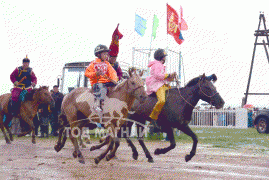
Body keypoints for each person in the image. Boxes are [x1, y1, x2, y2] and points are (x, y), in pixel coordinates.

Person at [146, 49, 176, 132]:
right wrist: (168, 75)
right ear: (161, 57)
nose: (165, 58)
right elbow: (157, 76)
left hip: (162, 84)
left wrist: (171, 77)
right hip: (156, 84)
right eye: (164, 57)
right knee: (162, 100)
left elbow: (164, 77)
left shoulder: (161, 65)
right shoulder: (156, 64)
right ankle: (153, 117)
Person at [84, 44, 118, 113]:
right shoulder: (93, 64)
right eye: (105, 54)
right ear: (99, 54)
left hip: (107, 82)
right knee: (101, 88)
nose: (107, 56)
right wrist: (95, 74)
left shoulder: (107, 64)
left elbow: (112, 73)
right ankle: (97, 105)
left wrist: (114, 80)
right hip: (97, 83)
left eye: (107, 54)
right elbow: (86, 73)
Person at [10, 55, 37, 133]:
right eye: (25, 63)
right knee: (14, 96)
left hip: (27, 87)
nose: (26, 64)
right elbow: (12, 76)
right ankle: (14, 110)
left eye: (27, 63)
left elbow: (34, 78)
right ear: (23, 63)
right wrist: (15, 82)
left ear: (28, 64)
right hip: (19, 86)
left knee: (33, 98)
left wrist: (34, 83)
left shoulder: (31, 71)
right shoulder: (17, 69)